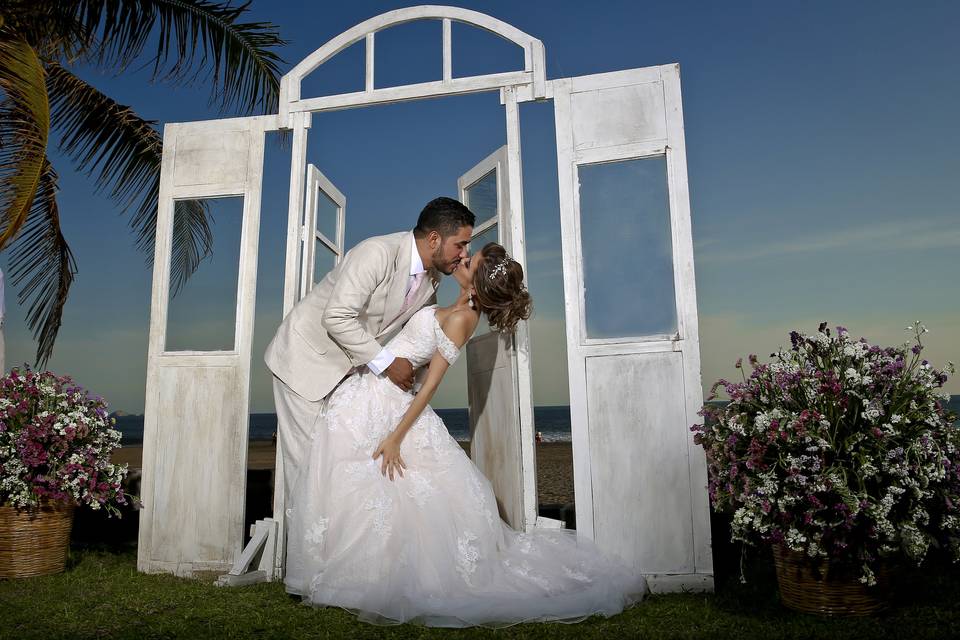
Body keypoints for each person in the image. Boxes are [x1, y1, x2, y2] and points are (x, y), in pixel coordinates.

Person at [284, 242, 647, 627]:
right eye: (464, 253)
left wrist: (395, 436)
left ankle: (356, 577)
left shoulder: (462, 318)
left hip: (395, 406)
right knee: (347, 481)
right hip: (372, 391)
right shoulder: (448, 300)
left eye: (468, 261)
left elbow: (430, 387)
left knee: (386, 489)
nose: (461, 258)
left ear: (475, 283)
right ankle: (331, 571)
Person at [264, 197, 474, 505]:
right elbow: (336, 316)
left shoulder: (431, 282)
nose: (465, 254)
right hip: (305, 362)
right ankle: (304, 552)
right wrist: (387, 363)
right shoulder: (377, 253)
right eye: (461, 244)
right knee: (308, 472)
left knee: (334, 470)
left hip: (349, 378)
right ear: (434, 239)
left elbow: (410, 336)